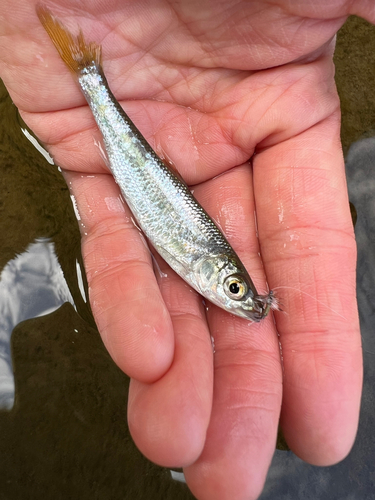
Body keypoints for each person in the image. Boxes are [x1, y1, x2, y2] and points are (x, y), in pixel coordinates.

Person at [0, 1, 369, 498]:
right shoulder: (205, 262)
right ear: (215, 272)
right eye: (235, 287)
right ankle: (89, 74)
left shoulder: (211, 269)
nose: (239, 296)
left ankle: (90, 73)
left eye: (238, 289)